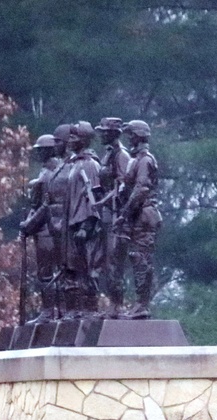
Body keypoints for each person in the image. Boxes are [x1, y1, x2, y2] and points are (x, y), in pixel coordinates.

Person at [112, 120, 161, 319]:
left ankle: (142, 305)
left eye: (131, 134)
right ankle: (139, 304)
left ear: (140, 136)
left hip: (144, 215)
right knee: (136, 257)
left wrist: (123, 214)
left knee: (141, 259)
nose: (129, 138)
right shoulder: (136, 160)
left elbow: (141, 189)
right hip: (137, 215)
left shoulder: (145, 160)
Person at [19, 134, 62, 323]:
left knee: (46, 272)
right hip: (51, 228)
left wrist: (28, 226)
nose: (38, 154)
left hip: (46, 230)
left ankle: (48, 311)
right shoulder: (56, 170)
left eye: (40, 150)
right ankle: (54, 310)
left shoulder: (48, 175)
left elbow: (43, 207)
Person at [63, 121, 103, 316]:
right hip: (73, 224)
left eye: (75, 136)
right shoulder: (74, 163)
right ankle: (78, 307)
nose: (70, 140)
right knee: (77, 267)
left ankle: (90, 307)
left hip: (85, 226)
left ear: (84, 139)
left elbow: (94, 197)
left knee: (89, 266)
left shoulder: (90, 164)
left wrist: (87, 225)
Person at [95, 117, 130, 315]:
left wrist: (104, 200)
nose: (102, 135)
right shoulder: (107, 155)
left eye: (105, 132)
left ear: (114, 134)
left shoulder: (121, 156)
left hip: (117, 214)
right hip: (106, 214)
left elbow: (122, 186)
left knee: (114, 261)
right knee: (104, 260)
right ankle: (111, 303)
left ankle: (117, 304)